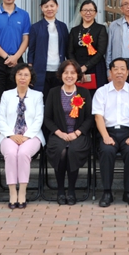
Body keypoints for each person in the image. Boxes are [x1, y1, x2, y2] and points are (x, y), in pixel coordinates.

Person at [92, 58, 129, 208]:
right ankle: (107, 192)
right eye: (116, 69)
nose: (119, 72)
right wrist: (105, 136)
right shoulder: (101, 92)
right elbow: (98, 117)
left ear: (128, 72)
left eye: (123, 69)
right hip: (108, 131)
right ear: (110, 72)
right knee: (106, 150)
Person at [44, 60, 94, 205]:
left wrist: (77, 133)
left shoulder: (84, 92)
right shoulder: (53, 92)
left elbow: (89, 118)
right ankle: (60, 191)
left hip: (78, 134)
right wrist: (59, 133)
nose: (69, 76)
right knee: (61, 150)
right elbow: (47, 118)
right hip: (58, 133)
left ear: (78, 75)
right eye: (66, 72)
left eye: (73, 73)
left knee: (72, 150)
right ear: (61, 74)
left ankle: (71, 191)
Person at [0, 63, 45, 209]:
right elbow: (0, 118)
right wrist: (11, 135)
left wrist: (26, 136)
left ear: (30, 78)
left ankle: (22, 192)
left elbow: (39, 119)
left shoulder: (37, 96)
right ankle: (12, 192)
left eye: (26, 75)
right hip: (8, 135)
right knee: (11, 153)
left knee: (23, 153)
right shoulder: (6, 95)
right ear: (15, 77)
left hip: (32, 135)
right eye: (19, 74)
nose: (22, 78)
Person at [27, 0, 69, 101]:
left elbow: (67, 48)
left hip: (59, 69)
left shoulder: (63, 26)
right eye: (46, 6)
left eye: (52, 6)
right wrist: (30, 69)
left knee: (58, 99)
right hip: (41, 70)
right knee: (41, 99)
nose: (49, 9)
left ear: (57, 6)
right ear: (41, 8)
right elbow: (31, 50)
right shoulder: (35, 27)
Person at [67, 0, 109, 95]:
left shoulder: (100, 29)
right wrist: (78, 68)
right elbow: (69, 52)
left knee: (97, 96)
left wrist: (86, 67)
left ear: (96, 13)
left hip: (96, 67)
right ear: (80, 12)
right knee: (78, 96)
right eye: (85, 10)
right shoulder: (74, 30)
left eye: (91, 10)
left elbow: (101, 52)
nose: (88, 13)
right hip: (77, 68)